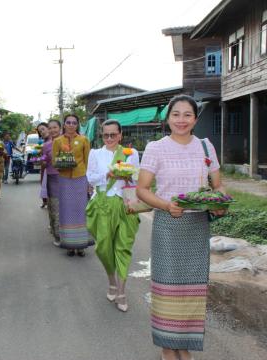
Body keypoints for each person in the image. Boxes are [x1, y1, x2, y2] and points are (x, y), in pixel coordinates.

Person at [136, 95, 225, 360]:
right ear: (168, 118)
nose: (181, 120)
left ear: (195, 119)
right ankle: (168, 347)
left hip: (197, 226)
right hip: (168, 226)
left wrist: (220, 202)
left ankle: (183, 346)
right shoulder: (156, 148)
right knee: (167, 289)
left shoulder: (206, 148)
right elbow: (142, 189)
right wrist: (165, 205)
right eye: (176, 114)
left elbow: (218, 186)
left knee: (191, 290)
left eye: (187, 115)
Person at [86, 120, 140, 312]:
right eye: (105, 135)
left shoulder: (131, 153)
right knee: (103, 248)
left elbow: (137, 178)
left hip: (125, 204)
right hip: (103, 204)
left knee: (123, 247)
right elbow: (90, 177)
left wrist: (127, 176)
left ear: (120, 135)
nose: (109, 138)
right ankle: (111, 281)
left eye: (113, 135)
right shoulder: (95, 153)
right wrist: (108, 175)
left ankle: (122, 291)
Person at [52, 114, 93, 257]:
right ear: (64, 125)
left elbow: (88, 162)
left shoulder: (84, 140)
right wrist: (62, 163)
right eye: (68, 122)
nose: (71, 125)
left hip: (80, 178)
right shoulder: (57, 141)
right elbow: (54, 160)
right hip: (64, 179)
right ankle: (69, 244)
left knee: (81, 210)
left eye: (74, 123)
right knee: (66, 210)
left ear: (77, 125)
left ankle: (81, 245)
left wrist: (89, 182)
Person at [43, 119, 61, 246]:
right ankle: (58, 236)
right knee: (54, 207)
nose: (52, 130)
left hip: (67, 178)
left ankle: (69, 235)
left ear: (60, 128)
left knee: (66, 208)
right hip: (52, 178)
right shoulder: (46, 145)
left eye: (55, 127)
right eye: (50, 128)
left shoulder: (68, 142)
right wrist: (40, 161)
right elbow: (44, 160)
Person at [37, 122, 50, 209]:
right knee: (43, 184)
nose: (42, 132)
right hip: (44, 168)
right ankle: (45, 201)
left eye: (43, 129)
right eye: (40, 131)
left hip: (51, 169)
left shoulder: (54, 140)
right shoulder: (44, 142)